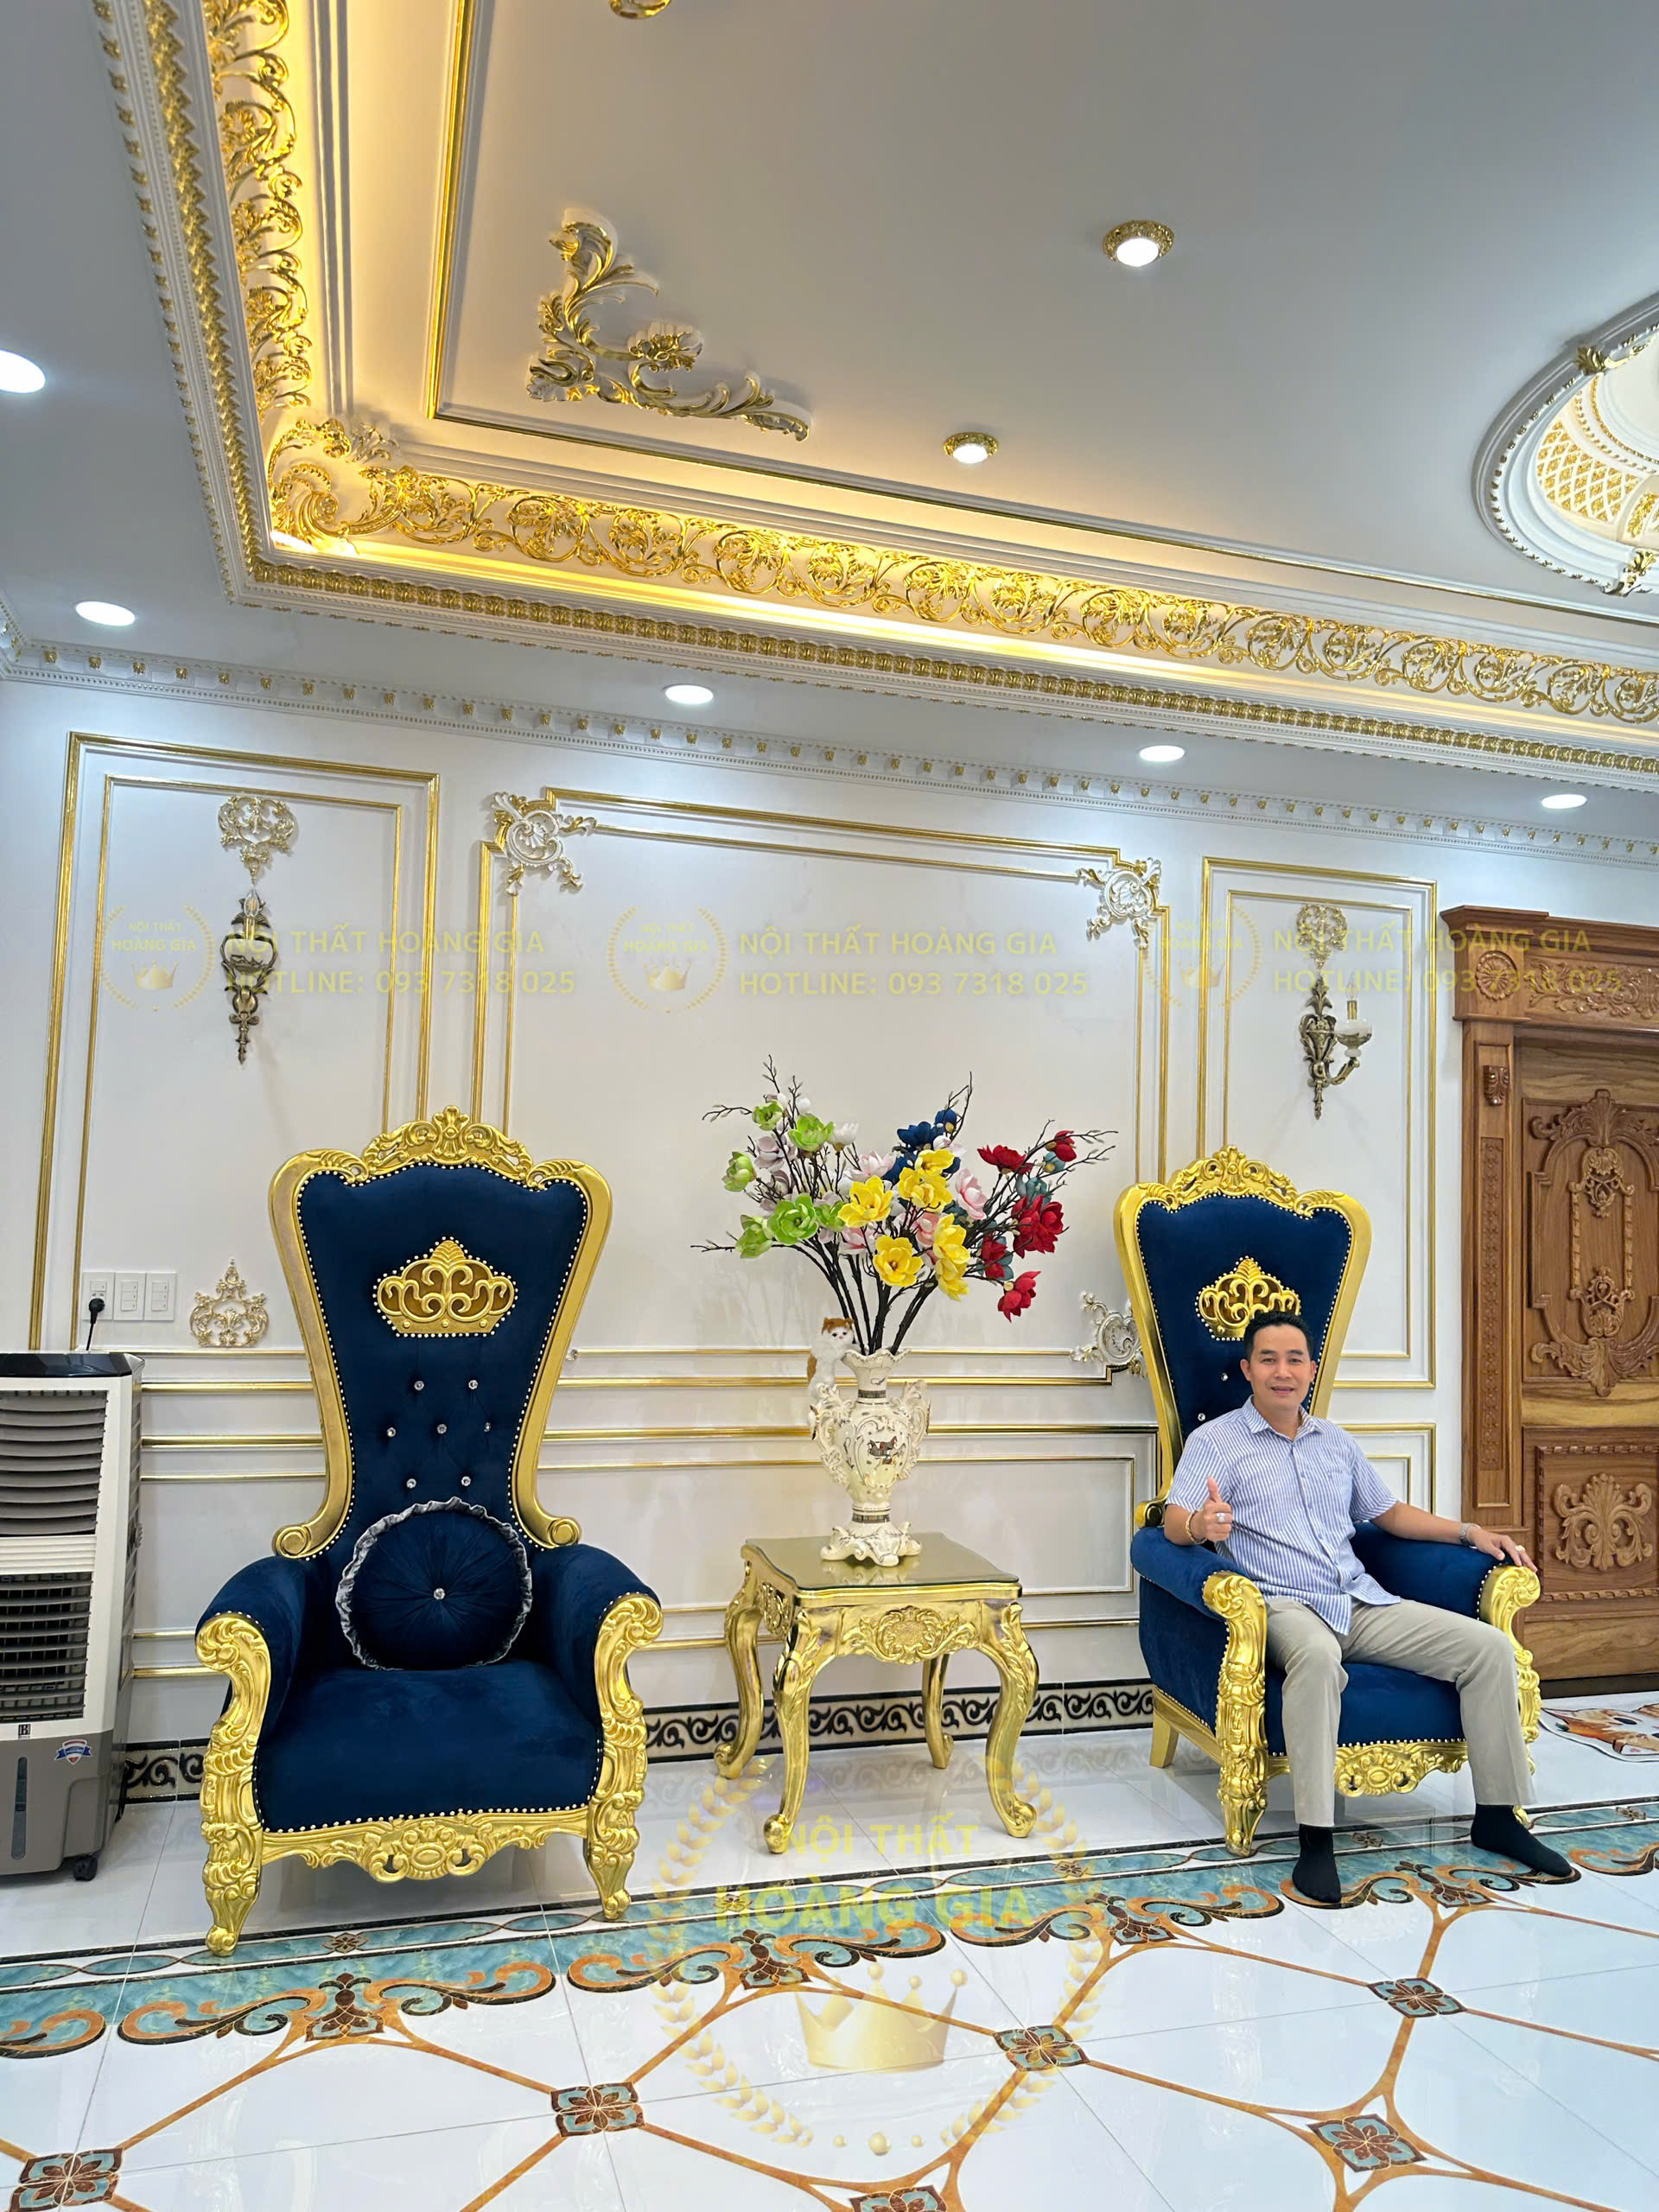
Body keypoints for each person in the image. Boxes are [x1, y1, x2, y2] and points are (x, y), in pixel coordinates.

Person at [1165, 1311, 1573, 1905]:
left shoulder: (1335, 1442)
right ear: (1248, 1369)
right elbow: (1173, 1521)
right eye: (1269, 1359)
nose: (1283, 1372)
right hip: (1282, 1605)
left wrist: (1470, 1532)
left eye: (1295, 1359)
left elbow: (1390, 1514)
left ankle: (1498, 1816)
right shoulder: (1215, 1442)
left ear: (1311, 1369)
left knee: (1488, 1649)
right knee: (1317, 1658)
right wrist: (1202, 1526)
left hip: (1359, 1600)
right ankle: (1315, 1839)